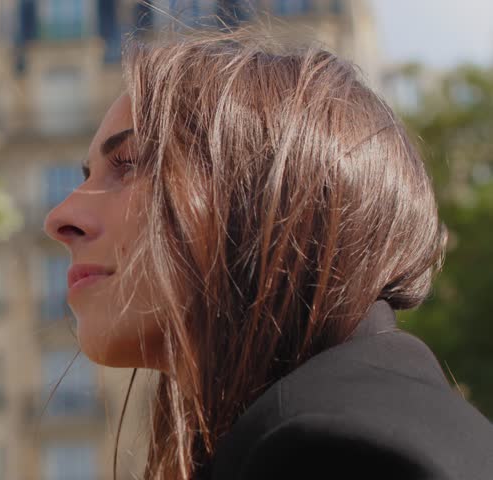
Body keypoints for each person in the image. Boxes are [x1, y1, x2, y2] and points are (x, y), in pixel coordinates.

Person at [43, 28, 493, 480]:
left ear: (270, 192)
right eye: (86, 175)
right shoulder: (373, 415)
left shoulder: (327, 449)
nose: (61, 217)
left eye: (130, 162)